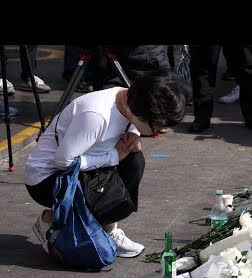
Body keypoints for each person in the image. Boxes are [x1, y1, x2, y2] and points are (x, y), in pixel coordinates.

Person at [25, 69, 187, 258]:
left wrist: (133, 134)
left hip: (87, 165)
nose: (159, 130)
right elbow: (64, 161)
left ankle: (106, 226)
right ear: (141, 113)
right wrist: (113, 157)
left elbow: (130, 124)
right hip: (47, 179)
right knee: (111, 190)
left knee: (134, 160)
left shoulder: (129, 99)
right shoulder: (96, 115)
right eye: (157, 125)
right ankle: (49, 220)